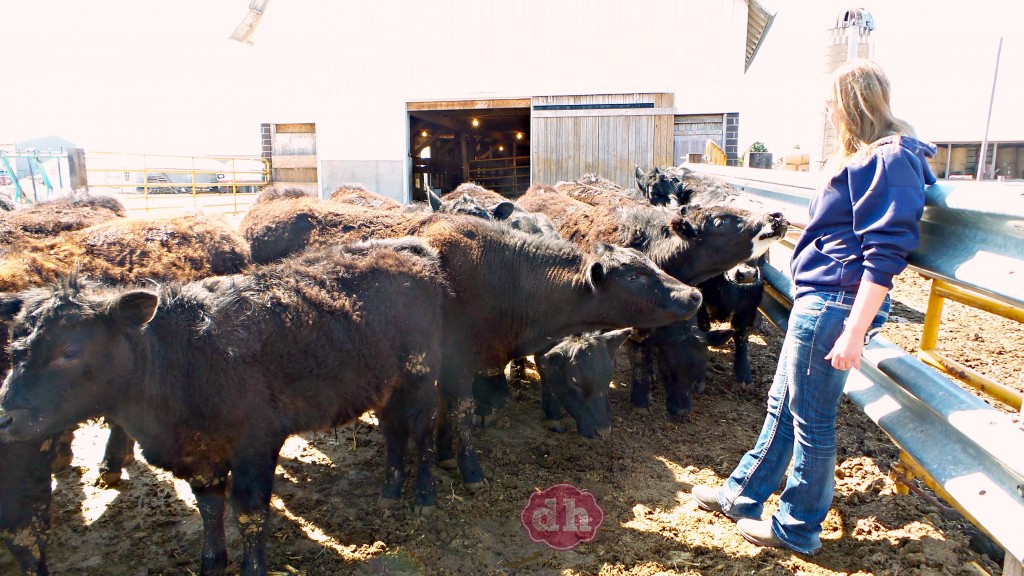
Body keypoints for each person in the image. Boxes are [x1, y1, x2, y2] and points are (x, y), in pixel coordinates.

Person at [691, 58, 937, 556]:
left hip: (837, 306)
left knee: (812, 420)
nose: (828, 114)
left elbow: (885, 252)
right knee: (783, 405)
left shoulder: (888, 158)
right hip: (822, 301)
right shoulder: (870, 157)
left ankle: (797, 527)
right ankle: (742, 495)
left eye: (831, 104)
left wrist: (853, 330)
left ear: (852, 103)